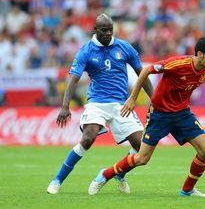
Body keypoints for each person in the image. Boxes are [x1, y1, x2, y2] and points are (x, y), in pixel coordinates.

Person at [88, 37, 205, 197]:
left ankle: (187, 190)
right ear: (199, 54)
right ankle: (105, 174)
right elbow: (146, 70)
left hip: (182, 114)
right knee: (142, 158)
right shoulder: (177, 64)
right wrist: (132, 98)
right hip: (160, 114)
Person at [47, 13, 154, 195]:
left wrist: (156, 99)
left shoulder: (124, 47)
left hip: (121, 105)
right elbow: (73, 79)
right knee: (87, 139)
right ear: (95, 30)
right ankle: (57, 180)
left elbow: (141, 74)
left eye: (110, 30)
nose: (108, 33)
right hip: (97, 103)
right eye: (104, 30)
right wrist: (65, 106)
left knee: (140, 147)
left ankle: (119, 175)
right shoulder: (86, 50)